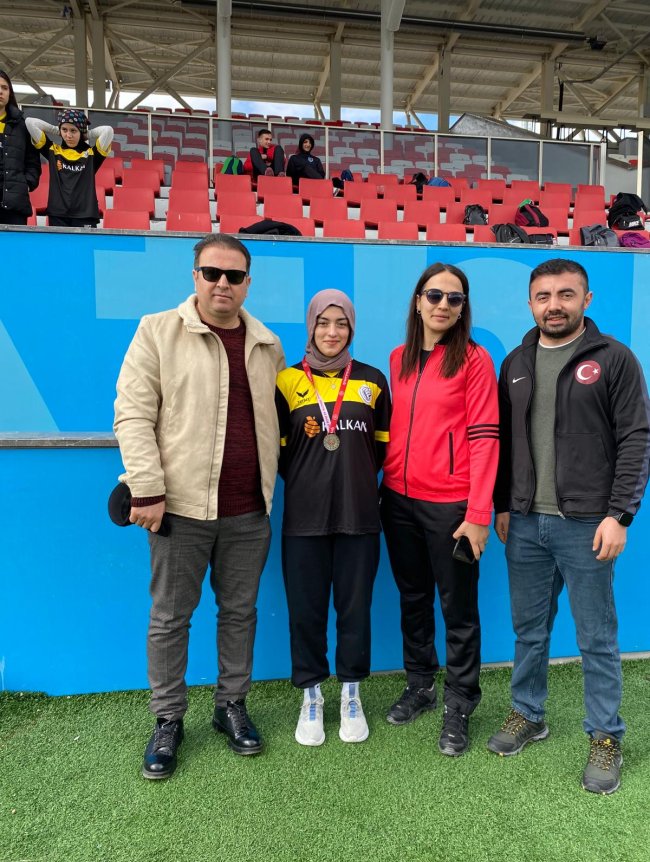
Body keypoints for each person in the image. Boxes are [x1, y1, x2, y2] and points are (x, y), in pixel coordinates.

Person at [114, 233, 285, 780]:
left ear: (247, 283)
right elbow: (132, 414)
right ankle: (168, 718)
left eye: (234, 276)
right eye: (212, 273)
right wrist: (147, 489)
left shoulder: (267, 344)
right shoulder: (157, 331)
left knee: (240, 614)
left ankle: (230, 705)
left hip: (248, 512)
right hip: (178, 511)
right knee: (170, 618)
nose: (222, 284)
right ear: (195, 276)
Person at [488, 258, 650, 795]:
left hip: (587, 525)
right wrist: (504, 504)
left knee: (596, 638)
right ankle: (528, 713)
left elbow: (636, 438)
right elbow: (507, 441)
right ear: (530, 302)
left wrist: (619, 514)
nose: (553, 305)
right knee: (529, 631)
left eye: (565, 294)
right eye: (543, 296)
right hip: (525, 522)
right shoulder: (516, 362)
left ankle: (605, 736)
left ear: (586, 299)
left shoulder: (614, 359)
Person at [380, 263, 499, 757]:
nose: (443, 305)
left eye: (455, 298)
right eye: (434, 295)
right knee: (413, 599)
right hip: (398, 501)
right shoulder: (399, 357)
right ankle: (421, 684)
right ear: (418, 301)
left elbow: (485, 436)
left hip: (452, 506)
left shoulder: (474, 359)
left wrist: (478, 513)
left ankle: (460, 703)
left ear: (463, 307)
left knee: (458, 610)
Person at [275, 290, 391, 747]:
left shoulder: (372, 380)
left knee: (355, 609)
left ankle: (351, 693)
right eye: (323, 323)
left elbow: (380, 451)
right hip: (303, 520)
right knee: (305, 612)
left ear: (352, 329)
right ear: (310, 327)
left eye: (341, 323)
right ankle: (311, 696)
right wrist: (313, 480)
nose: (332, 332)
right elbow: (279, 453)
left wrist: (350, 480)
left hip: (359, 517)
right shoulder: (287, 381)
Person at [25, 109, 113, 228]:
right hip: (58, 214)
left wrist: (85, 134)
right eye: (64, 130)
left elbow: (108, 130)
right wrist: (57, 130)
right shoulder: (53, 150)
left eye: (73, 131)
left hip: (85, 214)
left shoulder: (92, 154)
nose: (69, 135)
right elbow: (30, 122)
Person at [0, 69, 41, 225]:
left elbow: (33, 163)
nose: (0, 91)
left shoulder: (23, 125)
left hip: (14, 206)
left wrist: (26, 184)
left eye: (4, 88)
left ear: (10, 93)